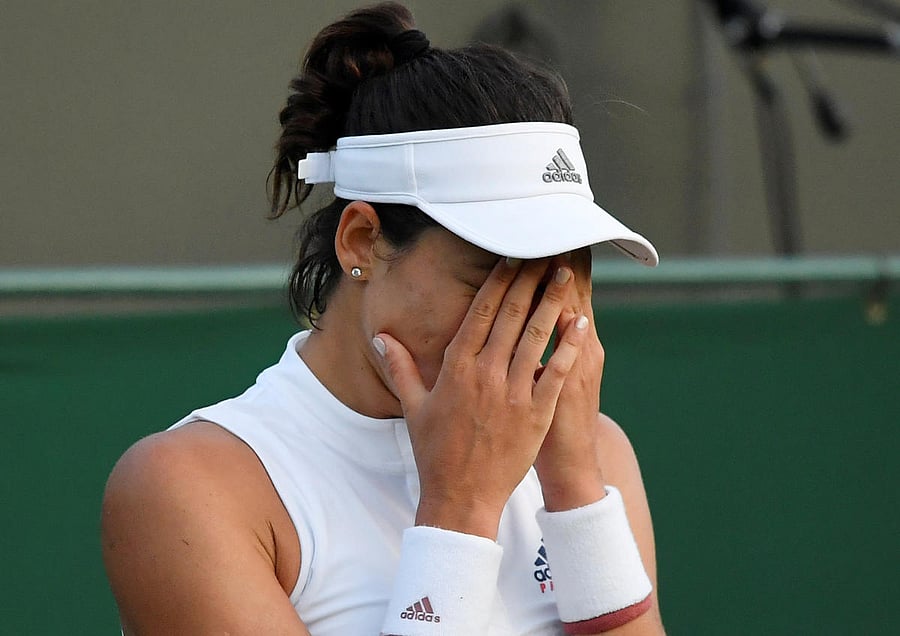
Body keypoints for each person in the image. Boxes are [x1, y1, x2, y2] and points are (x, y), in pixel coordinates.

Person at [101, 2, 666, 634]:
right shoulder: (190, 488)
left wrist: (575, 488)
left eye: (557, 280)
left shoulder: (595, 453)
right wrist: (459, 511)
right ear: (361, 241)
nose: (526, 325)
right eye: (487, 280)